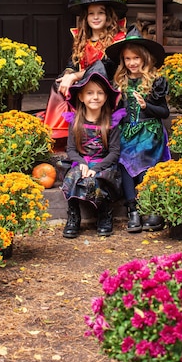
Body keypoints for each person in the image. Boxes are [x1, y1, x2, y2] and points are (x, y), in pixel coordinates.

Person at [42, 0, 127, 143]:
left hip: (107, 83)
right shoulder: (81, 39)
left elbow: (105, 66)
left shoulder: (117, 39)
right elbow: (71, 63)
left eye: (101, 12)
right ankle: (60, 133)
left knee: (83, 83)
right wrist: (68, 74)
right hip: (84, 83)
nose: (96, 17)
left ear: (108, 15)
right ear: (86, 17)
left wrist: (75, 77)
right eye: (91, 13)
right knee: (58, 85)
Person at [106, 26, 171, 233]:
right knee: (124, 158)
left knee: (143, 155)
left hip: (150, 131)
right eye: (127, 59)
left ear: (144, 58)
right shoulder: (119, 83)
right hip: (126, 131)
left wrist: (146, 106)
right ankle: (132, 210)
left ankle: (150, 206)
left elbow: (164, 112)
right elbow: (115, 111)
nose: (132, 63)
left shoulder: (155, 81)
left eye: (136, 58)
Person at [60, 60, 126, 239]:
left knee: (99, 179)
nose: (95, 97)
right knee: (72, 175)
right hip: (81, 162)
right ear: (81, 96)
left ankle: (104, 214)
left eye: (100, 93)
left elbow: (114, 152)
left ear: (105, 97)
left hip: (103, 165)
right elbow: (71, 149)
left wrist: (95, 168)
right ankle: (73, 215)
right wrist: (81, 163)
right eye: (89, 93)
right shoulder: (75, 122)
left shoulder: (111, 122)